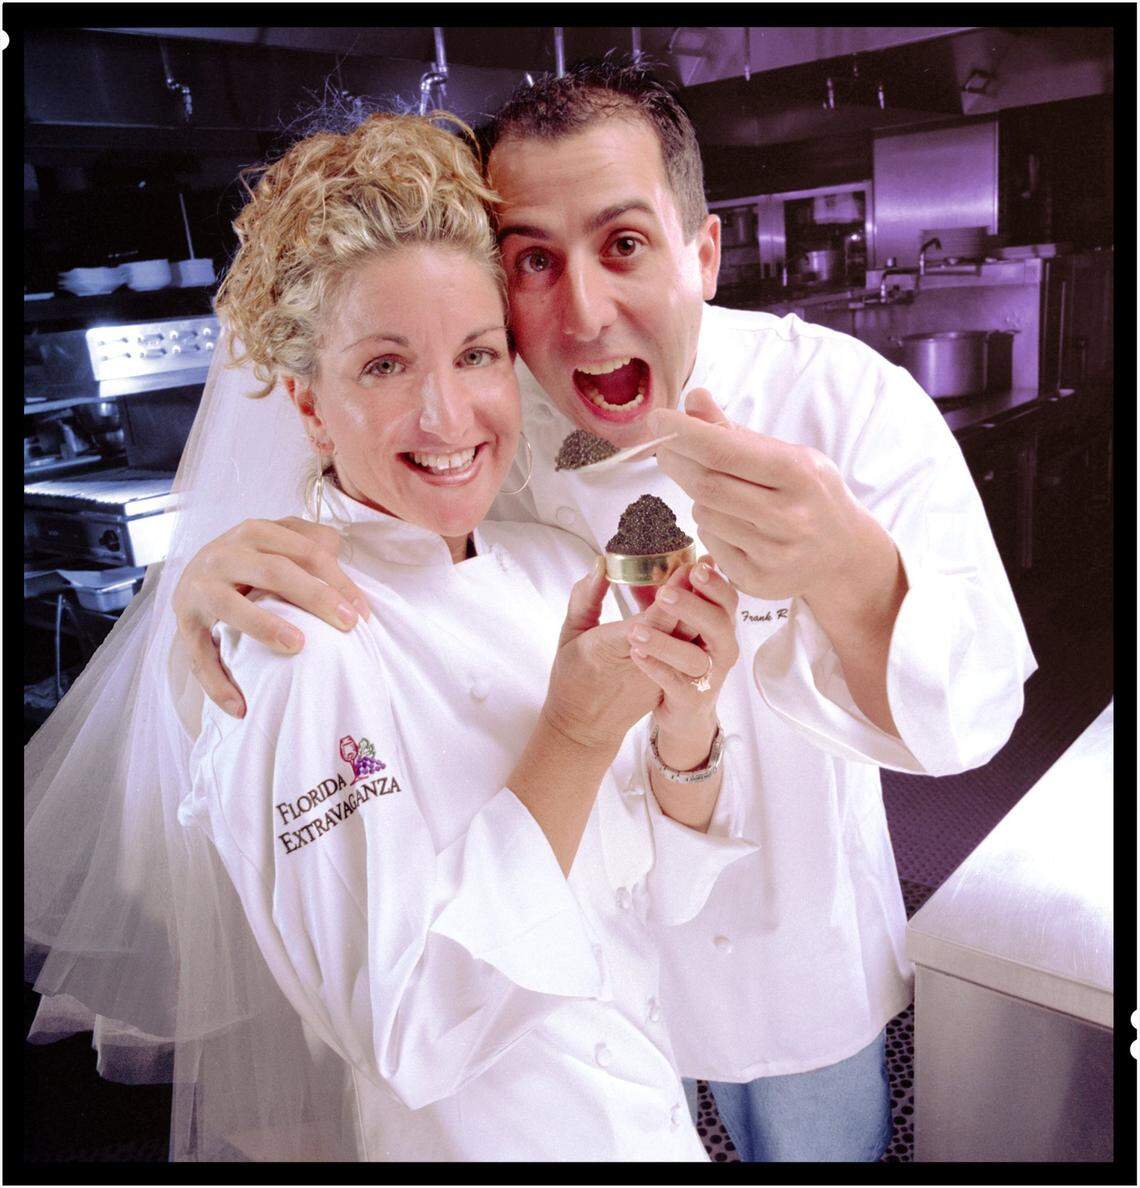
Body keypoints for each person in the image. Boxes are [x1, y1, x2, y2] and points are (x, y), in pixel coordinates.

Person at [170, 60, 1037, 1162]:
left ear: (702, 252)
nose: (580, 312)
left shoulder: (847, 402)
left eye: (623, 244)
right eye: (533, 260)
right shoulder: (490, 417)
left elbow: (973, 721)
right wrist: (203, 583)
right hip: (591, 984)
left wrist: (847, 567)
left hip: (794, 942)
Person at [25, 112, 755, 1162]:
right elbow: (408, 1032)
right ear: (308, 405)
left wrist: (687, 726)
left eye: (477, 353)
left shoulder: (552, 570)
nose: (450, 416)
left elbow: (662, 895)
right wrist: (576, 739)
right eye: (384, 366)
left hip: (646, 1113)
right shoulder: (287, 641)